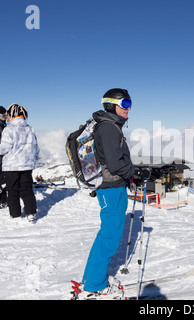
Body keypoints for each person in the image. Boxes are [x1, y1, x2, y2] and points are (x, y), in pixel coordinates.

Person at [80, 88, 149, 298]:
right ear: (111, 105)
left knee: (107, 234)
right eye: (125, 104)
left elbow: (114, 161)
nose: (129, 109)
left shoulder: (107, 125)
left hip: (113, 185)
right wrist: (135, 172)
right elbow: (114, 162)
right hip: (111, 188)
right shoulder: (108, 128)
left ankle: (91, 278)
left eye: (130, 104)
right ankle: (94, 286)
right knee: (109, 236)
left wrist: (131, 174)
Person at [0, 104, 40, 222]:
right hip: (27, 165)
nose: (7, 117)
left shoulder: (9, 129)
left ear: (11, 115)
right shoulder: (30, 128)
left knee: (13, 190)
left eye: (7, 115)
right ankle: (31, 213)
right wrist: (33, 159)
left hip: (12, 166)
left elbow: (4, 147)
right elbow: (35, 148)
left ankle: (15, 214)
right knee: (27, 189)